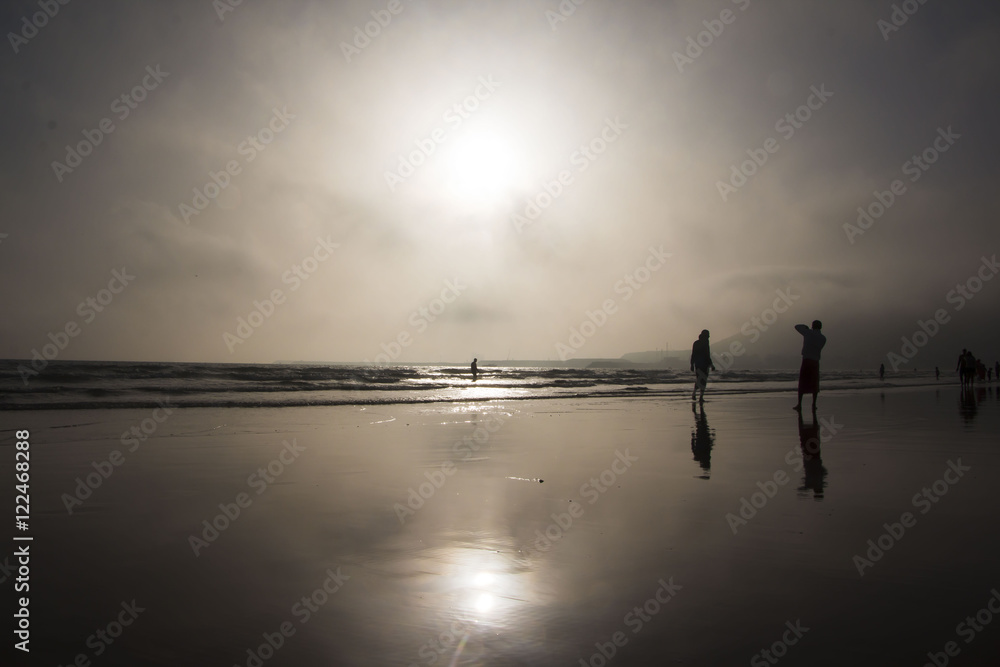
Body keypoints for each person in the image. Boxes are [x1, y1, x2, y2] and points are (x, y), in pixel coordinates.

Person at [793, 320, 826, 412]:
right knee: (814, 384)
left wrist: (806, 327)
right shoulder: (823, 338)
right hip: (815, 361)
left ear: (812, 326)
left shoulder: (808, 333)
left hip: (806, 360)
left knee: (802, 383)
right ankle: (813, 404)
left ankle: (799, 404)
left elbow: (797, 326)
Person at [690, 329, 716, 403]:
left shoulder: (702, 343)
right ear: (705, 335)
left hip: (702, 364)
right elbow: (694, 354)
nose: (709, 336)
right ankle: (696, 395)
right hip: (700, 364)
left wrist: (711, 364)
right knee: (701, 380)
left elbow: (707, 355)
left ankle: (699, 396)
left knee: (701, 380)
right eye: (708, 335)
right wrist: (692, 364)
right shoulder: (699, 343)